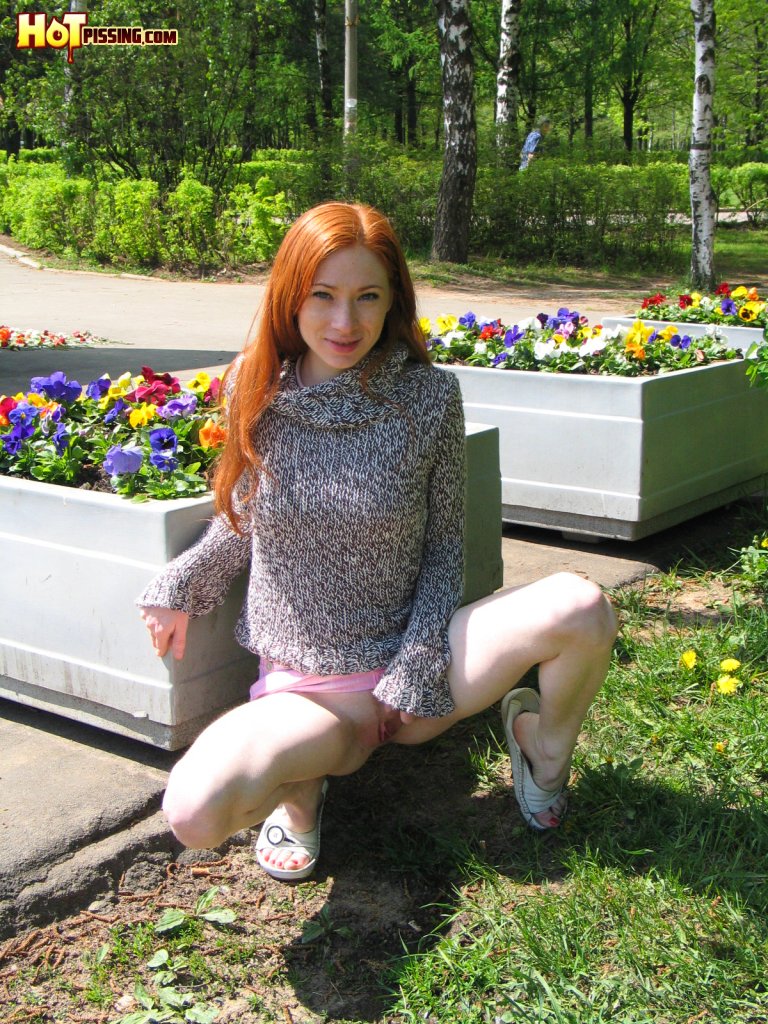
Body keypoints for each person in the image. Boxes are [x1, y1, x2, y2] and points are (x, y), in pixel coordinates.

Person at [138, 201, 617, 881]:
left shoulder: (429, 398)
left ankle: (542, 746)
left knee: (582, 606)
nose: (345, 322)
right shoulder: (255, 386)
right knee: (193, 812)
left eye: (368, 296)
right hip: (310, 694)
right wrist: (181, 583)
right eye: (323, 295)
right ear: (289, 296)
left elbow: (444, 549)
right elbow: (243, 516)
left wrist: (417, 661)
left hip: (422, 664)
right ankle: (301, 787)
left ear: (394, 300)